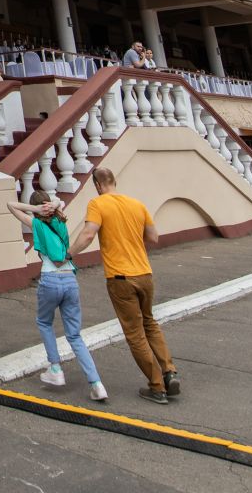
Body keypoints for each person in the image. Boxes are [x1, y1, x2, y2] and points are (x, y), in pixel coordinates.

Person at [70, 166, 179, 405]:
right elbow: (153, 237)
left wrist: (68, 253)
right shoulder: (137, 204)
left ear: (98, 186)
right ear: (114, 181)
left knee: (134, 333)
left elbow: (88, 234)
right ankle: (168, 370)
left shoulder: (98, 204)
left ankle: (157, 386)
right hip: (145, 273)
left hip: (120, 277)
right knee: (150, 322)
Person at [6, 193, 107, 400]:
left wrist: (35, 210)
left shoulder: (35, 223)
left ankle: (55, 369)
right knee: (74, 335)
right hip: (70, 279)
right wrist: (54, 205)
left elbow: (10, 205)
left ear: (38, 207)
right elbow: (60, 203)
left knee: (44, 322)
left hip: (50, 279)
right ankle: (96, 384)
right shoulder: (61, 220)